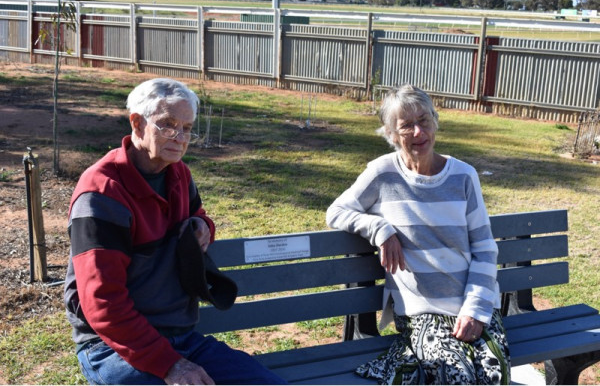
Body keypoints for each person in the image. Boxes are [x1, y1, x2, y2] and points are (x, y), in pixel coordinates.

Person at [63, 78, 285, 385]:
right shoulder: (102, 194)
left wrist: (204, 227)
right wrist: (170, 365)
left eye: (187, 128)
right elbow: (103, 303)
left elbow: (197, 216)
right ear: (137, 123)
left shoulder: (178, 173)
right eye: (168, 125)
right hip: (112, 347)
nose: (180, 138)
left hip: (181, 337)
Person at [326, 84, 510, 385]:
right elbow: (336, 211)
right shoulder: (382, 174)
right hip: (420, 311)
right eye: (406, 125)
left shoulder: (464, 176)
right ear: (391, 133)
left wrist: (475, 310)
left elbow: (485, 249)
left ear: (435, 122)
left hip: (473, 304)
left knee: (493, 373)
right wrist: (380, 229)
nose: (417, 132)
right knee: (457, 375)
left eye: (424, 120)